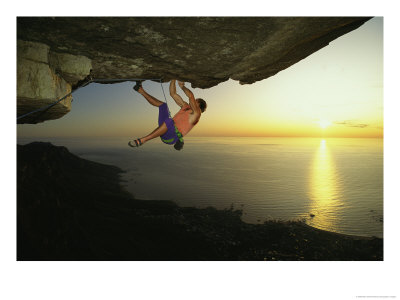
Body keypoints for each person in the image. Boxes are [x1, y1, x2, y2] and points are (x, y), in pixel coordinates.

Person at [129, 79, 207, 150]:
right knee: (163, 106)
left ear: (199, 105)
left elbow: (191, 96)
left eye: (196, 100)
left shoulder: (197, 115)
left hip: (171, 137)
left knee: (169, 121)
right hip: (165, 127)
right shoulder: (185, 106)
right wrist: (173, 78)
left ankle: (143, 140)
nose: (193, 101)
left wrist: (182, 86)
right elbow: (173, 93)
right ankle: (140, 89)